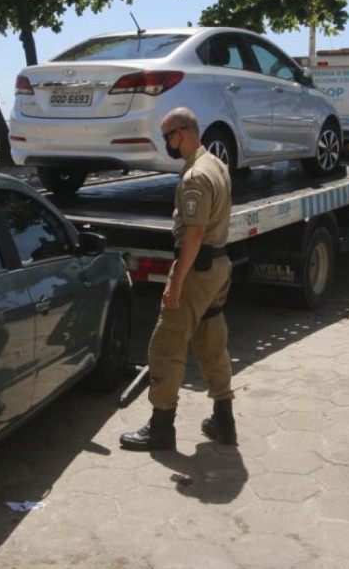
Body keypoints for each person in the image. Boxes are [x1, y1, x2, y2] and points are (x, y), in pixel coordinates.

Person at [121, 107, 236, 452]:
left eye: (167, 136)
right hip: (218, 267)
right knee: (212, 341)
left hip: (197, 271)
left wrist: (175, 282)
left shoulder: (195, 177)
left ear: (182, 134)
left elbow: (195, 232)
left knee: (165, 346)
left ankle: (160, 428)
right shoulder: (216, 164)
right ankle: (224, 421)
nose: (166, 142)